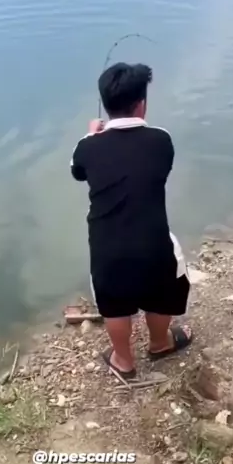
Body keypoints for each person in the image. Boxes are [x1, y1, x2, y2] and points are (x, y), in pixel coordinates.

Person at [70, 62, 192, 380]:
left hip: (107, 250)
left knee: (114, 303)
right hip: (153, 243)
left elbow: (78, 171)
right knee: (163, 288)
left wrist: (92, 134)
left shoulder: (86, 147)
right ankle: (160, 343)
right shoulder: (161, 140)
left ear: (105, 104)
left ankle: (123, 361)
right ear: (141, 104)